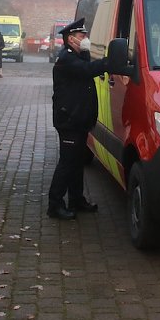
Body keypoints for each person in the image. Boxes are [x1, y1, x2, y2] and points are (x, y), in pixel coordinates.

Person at [47, 18, 110, 220]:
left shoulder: (77, 56)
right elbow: (88, 70)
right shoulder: (66, 58)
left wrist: (85, 51)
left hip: (79, 119)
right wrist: (110, 62)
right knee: (67, 163)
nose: (86, 39)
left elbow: (85, 67)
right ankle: (55, 205)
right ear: (71, 39)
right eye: (82, 37)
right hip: (69, 120)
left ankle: (76, 199)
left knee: (76, 163)